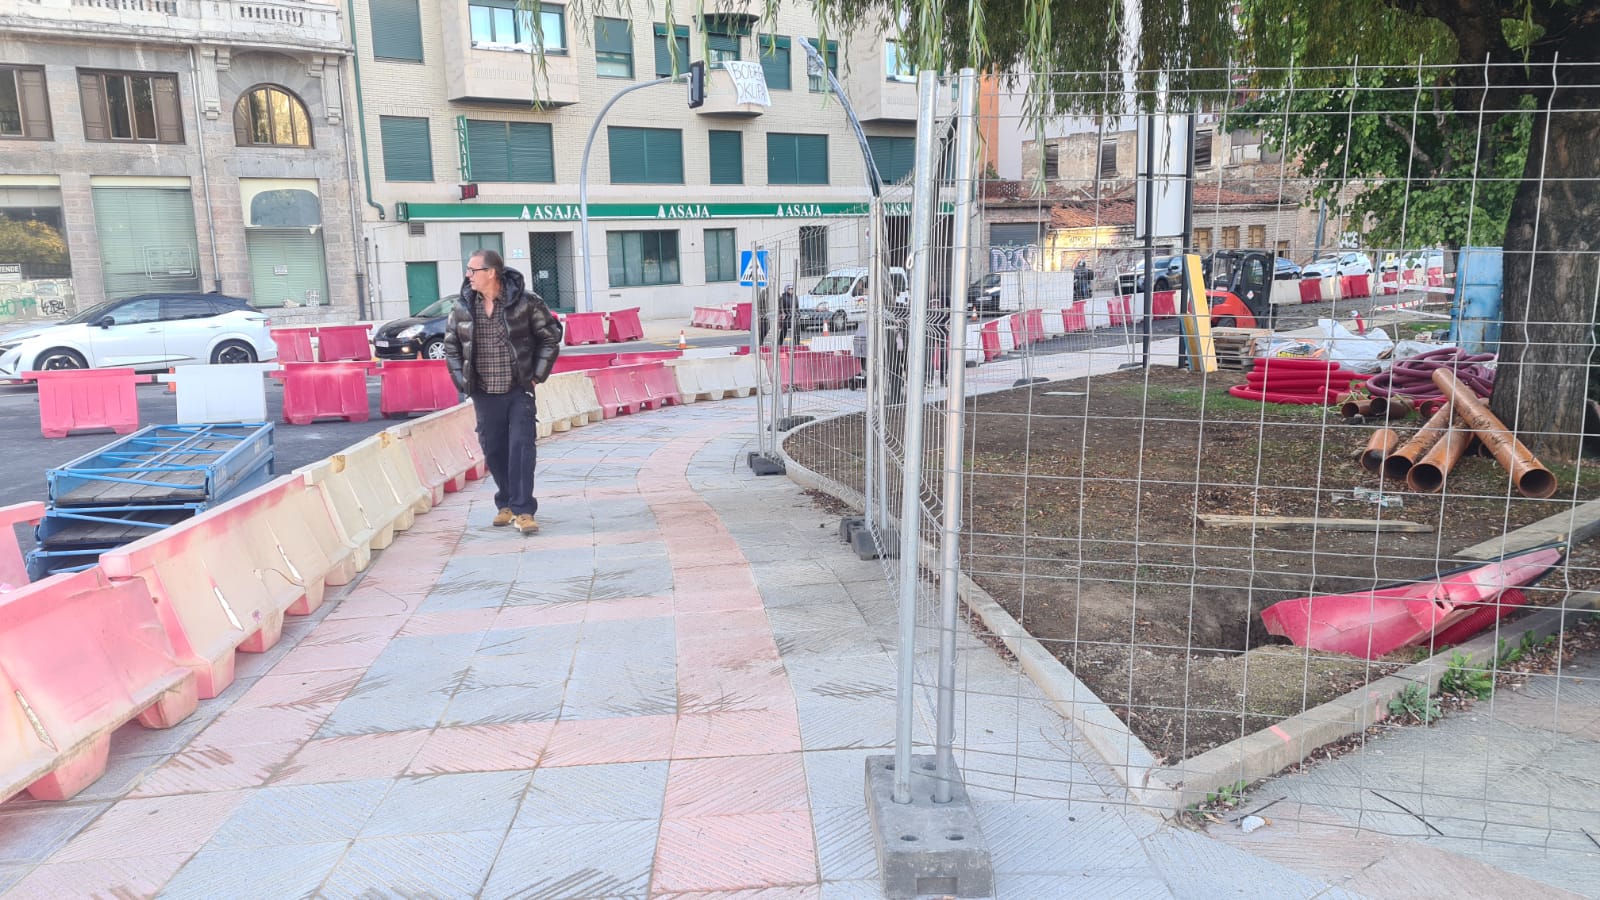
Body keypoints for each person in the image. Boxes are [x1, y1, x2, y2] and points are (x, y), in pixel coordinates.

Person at [443, 250, 564, 535]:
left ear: (491, 272)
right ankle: (507, 501)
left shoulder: (526, 302)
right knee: (494, 449)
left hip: (519, 389)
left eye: (473, 270)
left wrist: (536, 376)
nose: (468, 275)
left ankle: (523, 510)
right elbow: (451, 346)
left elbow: (550, 337)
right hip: (484, 392)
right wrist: (463, 382)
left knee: (521, 448)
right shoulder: (462, 307)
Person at [777, 283, 798, 348]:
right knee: (784, 331)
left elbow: (797, 306)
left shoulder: (795, 297)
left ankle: (797, 344)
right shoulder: (783, 297)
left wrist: (798, 313)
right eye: (789, 289)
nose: (791, 290)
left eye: (792, 289)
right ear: (786, 289)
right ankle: (779, 344)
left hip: (793, 316)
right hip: (786, 317)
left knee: (796, 331)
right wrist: (782, 313)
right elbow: (781, 306)